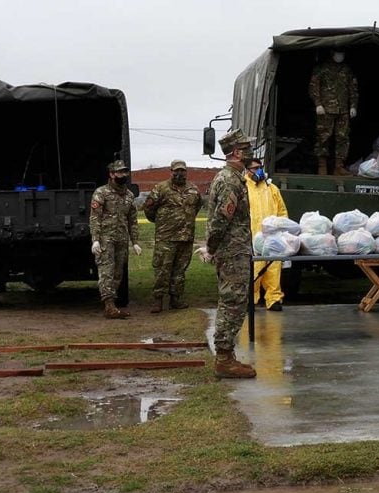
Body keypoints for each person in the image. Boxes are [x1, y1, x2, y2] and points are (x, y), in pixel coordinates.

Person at [197, 128, 256, 378]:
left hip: (234, 250)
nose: (251, 153)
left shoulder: (232, 178)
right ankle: (223, 359)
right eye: (246, 148)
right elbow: (222, 219)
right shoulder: (230, 180)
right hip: (232, 252)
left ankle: (227, 355)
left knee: (233, 301)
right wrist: (211, 247)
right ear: (236, 152)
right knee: (233, 302)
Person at [142, 159, 203, 313]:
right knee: (162, 269)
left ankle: (176, 299)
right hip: (166, 238)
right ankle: (158, 300)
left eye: (182, 171)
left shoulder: (194, 189)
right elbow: (149, 209)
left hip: (186, 238)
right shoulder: (161, 188)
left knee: (180, 270)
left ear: (186, 172)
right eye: (176, 171)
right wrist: (162, 223)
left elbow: (196, 207)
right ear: (171, 171)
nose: (179, 174)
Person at [89, 159, 142, 320]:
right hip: (106, 239)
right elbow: (95, 217)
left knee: (118, 272)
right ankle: (109, 305)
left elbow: (132, 220)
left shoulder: (129, 195)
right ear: (112, 174)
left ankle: (112, 304)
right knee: (107, 271)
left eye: (125, 172)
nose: (123, 175)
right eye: (119, 172)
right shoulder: (101, 193)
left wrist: (135, 242)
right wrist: (95, 239)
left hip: (121, 239)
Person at [246, 157, 288, 312]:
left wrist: (282, 229)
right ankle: (251, 299)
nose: (258, 170)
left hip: (272, 238)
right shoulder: (243, 188)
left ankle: (274, 299)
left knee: (273, 268)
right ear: (247, 171)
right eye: (254, 168)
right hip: (251, 237)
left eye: (260, 167)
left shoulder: (272, 189)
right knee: (255, 269)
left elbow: (282, 211)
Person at [308, 49, 358, 176]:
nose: (340, 55)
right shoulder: (321, 69)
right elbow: (314, 87)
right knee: (323, 137)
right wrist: (318, 104)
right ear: (332, 53)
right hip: (325, 110)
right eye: (338, 53)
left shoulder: (346, 70)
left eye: (342, 53)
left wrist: (353, 106)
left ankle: (339, 167)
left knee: (343, 137)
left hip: (343, 110)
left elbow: (353, 89)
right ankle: (322, 166)